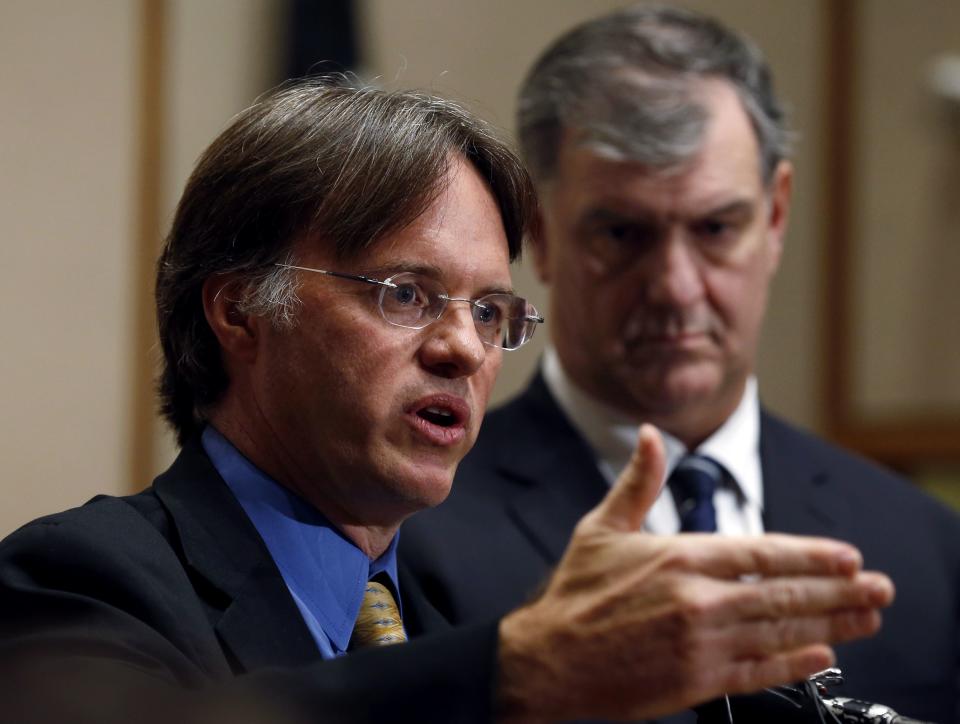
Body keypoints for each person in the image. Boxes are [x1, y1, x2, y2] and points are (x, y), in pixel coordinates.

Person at [0, 77, 893, 724]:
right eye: (404, 294)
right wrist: (513, 675)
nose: (463, 348)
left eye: (492, 310)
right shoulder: (77, 580)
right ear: (240, 309)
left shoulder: (466, 608)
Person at [399, 5, 960, 723]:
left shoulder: (922, 546)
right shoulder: (415, 530)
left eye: (715, 228)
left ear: (777, 215)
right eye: (623, 233)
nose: (674, 286)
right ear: (538, 234)